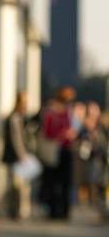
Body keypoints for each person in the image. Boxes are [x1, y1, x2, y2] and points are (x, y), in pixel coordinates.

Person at [38, 87, 77, 219]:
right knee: (54, 182)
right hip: (55, 150)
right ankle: (54, 211)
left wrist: (70, 134)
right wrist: (61, 135)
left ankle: (64, 211)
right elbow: (47, 132)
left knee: (66, 182)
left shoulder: (68, 113)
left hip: (66, 150)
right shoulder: (51, 113)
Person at [2, 90, 32, 219]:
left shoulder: (20, 117)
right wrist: (22, 155)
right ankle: (18, 210)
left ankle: (17, 209)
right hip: (16, 157)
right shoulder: (14, 117)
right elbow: (16, 139)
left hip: (18, 157)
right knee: (18, 186)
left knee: (19, 185)